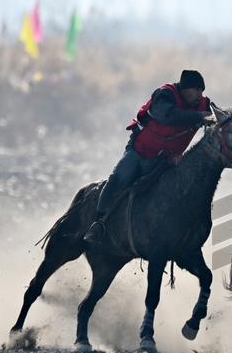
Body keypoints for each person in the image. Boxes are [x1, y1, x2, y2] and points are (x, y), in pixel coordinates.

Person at [83, 70, 216, 244]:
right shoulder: (164, 94)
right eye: (196, 90)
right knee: (118, 178)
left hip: (166, 160)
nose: (200, 94)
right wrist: (199, 117)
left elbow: (218, 118)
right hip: (140, 152)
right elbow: (167, 115)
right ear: (184, 89)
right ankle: (99, 222)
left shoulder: (204, 105)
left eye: (201, 90)